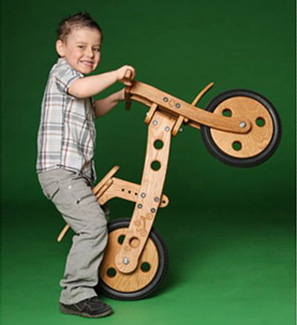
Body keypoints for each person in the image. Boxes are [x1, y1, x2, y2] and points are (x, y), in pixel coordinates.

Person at [36, 12, 135, 318]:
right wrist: (117, 73)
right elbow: (82, 90)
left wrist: (118, 96)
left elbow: (92, 108)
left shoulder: (80, 85)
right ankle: (75, 294)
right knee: (92, 226)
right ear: (61, 48)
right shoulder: (62, 73)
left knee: (99, 219)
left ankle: (94, 278)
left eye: (96, 49)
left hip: (75, 174)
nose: (90, 54)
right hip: (59, 172)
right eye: (81, 47)